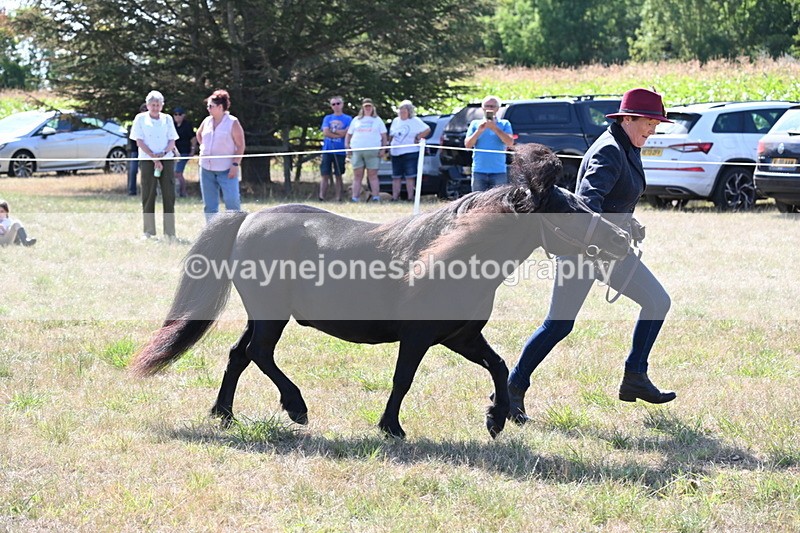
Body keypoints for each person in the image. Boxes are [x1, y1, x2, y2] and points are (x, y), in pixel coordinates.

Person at [506, 88, 676, 425]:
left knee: (657, 302)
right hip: (585, 251)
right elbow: (587, 203)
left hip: (607, 248)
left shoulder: (627, 144)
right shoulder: (610, 151)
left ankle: (635, 377)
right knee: (558, 325)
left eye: (657, 123)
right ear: (628, 118)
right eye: (650, 122)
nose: (653, 129)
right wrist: (610, 233)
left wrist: (629, 222)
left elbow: (614, 201)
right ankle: (510, 389)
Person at [129, 90, 180, 239]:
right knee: (148, 194)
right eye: (153, 105)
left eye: (158, 105)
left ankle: (170, 233)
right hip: (147, 160)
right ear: (147, 105)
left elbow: (172, 140)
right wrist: (153, 158)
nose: (155, 107)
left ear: (162, 105)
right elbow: (139, 141)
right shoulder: (140, 119)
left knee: (169, 195)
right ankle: (149, 231)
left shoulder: (168, 119)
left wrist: (163, 154)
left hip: (167, 159)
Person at [196, 89, 246, 222]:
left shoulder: (232, 122)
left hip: (227, 169)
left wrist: (235, 164)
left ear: (220, 107)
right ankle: (212, 234)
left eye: (210, 106)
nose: (208, 109)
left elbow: (240, 145)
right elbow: (199, 134)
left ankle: (235, 231)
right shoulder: (206, 121)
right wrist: (205, 148)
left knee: (232, 202)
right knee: (210, 205)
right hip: (206, 169)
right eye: (208, 106)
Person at [464, 95, 514, 192]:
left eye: (492, 106)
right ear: (482, 108)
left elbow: (510, 143)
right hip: (479, 170)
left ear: (498, 109)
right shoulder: (475, 124)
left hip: (498, 171)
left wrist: (494, 128)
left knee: (498, 203)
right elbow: (468, 145)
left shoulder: (504, 124)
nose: (489, 109)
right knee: (478, 202)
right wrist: (479, 131)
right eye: (487, 106)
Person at [345, 98, 387, 202]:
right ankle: (355, 197)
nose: (368, 108)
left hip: (373, 151)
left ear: (373, 108)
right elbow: (349, 134)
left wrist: (383, 148)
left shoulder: (377, 120)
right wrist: (347, 146)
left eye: (369, 106)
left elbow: (384, 136)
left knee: (372, 175)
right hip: (357, 150)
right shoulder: (356, 120)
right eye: (366, 107)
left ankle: (376, 197)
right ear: (362, 108)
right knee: (357, 175)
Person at [388, 100, 430, 201]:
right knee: (396, 176)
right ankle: (395, 197)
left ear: (409, 111)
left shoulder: (415, 121)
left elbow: (427, 129)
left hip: (410, 152)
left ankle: (410, 197)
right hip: (396, 152)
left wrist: (418, 137)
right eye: (400, 110)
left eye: (404, 110)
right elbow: (391, 134)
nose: (402, 112)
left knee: (410, 176)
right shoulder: (395, 121)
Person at [319, 96, 352, 202]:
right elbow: (325, 132)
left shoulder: (348, 119)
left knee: (338, 175)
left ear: (342, 104)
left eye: (338, 103)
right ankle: (321, 197)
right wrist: (339, 134)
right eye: (333, 104)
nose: (336, 106)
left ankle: (338, 198)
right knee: (325, 174)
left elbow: (347, 133)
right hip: (327, 150)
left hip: (340, 151)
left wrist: (333, 132)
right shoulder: (327, 118)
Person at [172, 107, 196, 198]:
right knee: (174, 173)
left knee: (178, 172)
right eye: (175, 114)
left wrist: (192, 150)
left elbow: (193, 138)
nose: (177, 116)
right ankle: (176, 192)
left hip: (184, 152)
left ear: (183, 115)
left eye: (180, 114)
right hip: (174, 152)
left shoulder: (187, 125)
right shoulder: (172, 125)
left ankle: (183, 192)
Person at [126, 104, 148, 196]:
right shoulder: (137, 122)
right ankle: (132, 191)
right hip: (135, 151)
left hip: (148, 152)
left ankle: (148, 191)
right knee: (133, 170)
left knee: (147, 171)